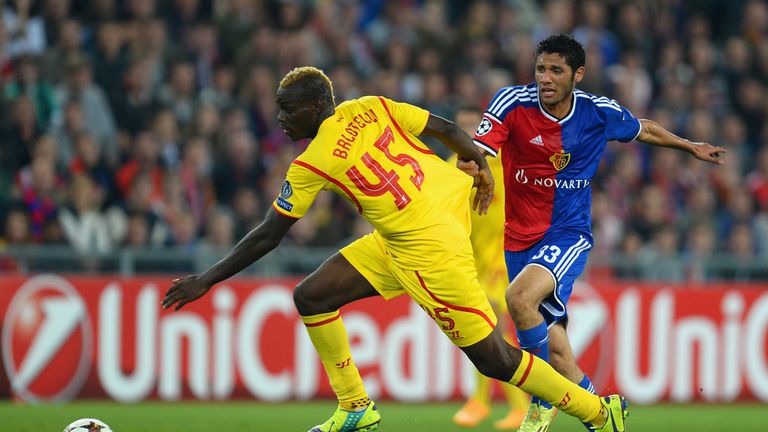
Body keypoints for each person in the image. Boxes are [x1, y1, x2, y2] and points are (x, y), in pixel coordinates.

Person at [162, 66, 629, 432]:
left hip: (429, 246)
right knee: (312, 296)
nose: (281, 119)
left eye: (287, 110)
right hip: (421, 220)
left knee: (493, 359)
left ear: (315, 106)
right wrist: (481, 167)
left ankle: (598, 411)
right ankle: (355, 407)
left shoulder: (311, 162)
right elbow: (445, 127)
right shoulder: (370, 105)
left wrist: (207, 278)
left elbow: (269, 233)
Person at [462, 34, 726, 432]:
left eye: (556, 70)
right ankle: (605, 417)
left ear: (577, 74)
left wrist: (689, 146)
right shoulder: (511, 102)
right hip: (518, 239)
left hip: (566, 233)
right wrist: (477, 170)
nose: (545, 78)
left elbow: (646, 130)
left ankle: (540, 399)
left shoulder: (596, 112)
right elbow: (480, 148)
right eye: (540, 69)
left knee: (517, 298)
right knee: (557, 352)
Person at [449, 106, 530, 430]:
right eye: (463, 125)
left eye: (475, 125)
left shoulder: (499, 158)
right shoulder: (449, 168)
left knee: (493, 323)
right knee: (479, 327)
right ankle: (498, 402)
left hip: (502, 254)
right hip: (470, 259)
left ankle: (498, 402)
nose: (470, 132)